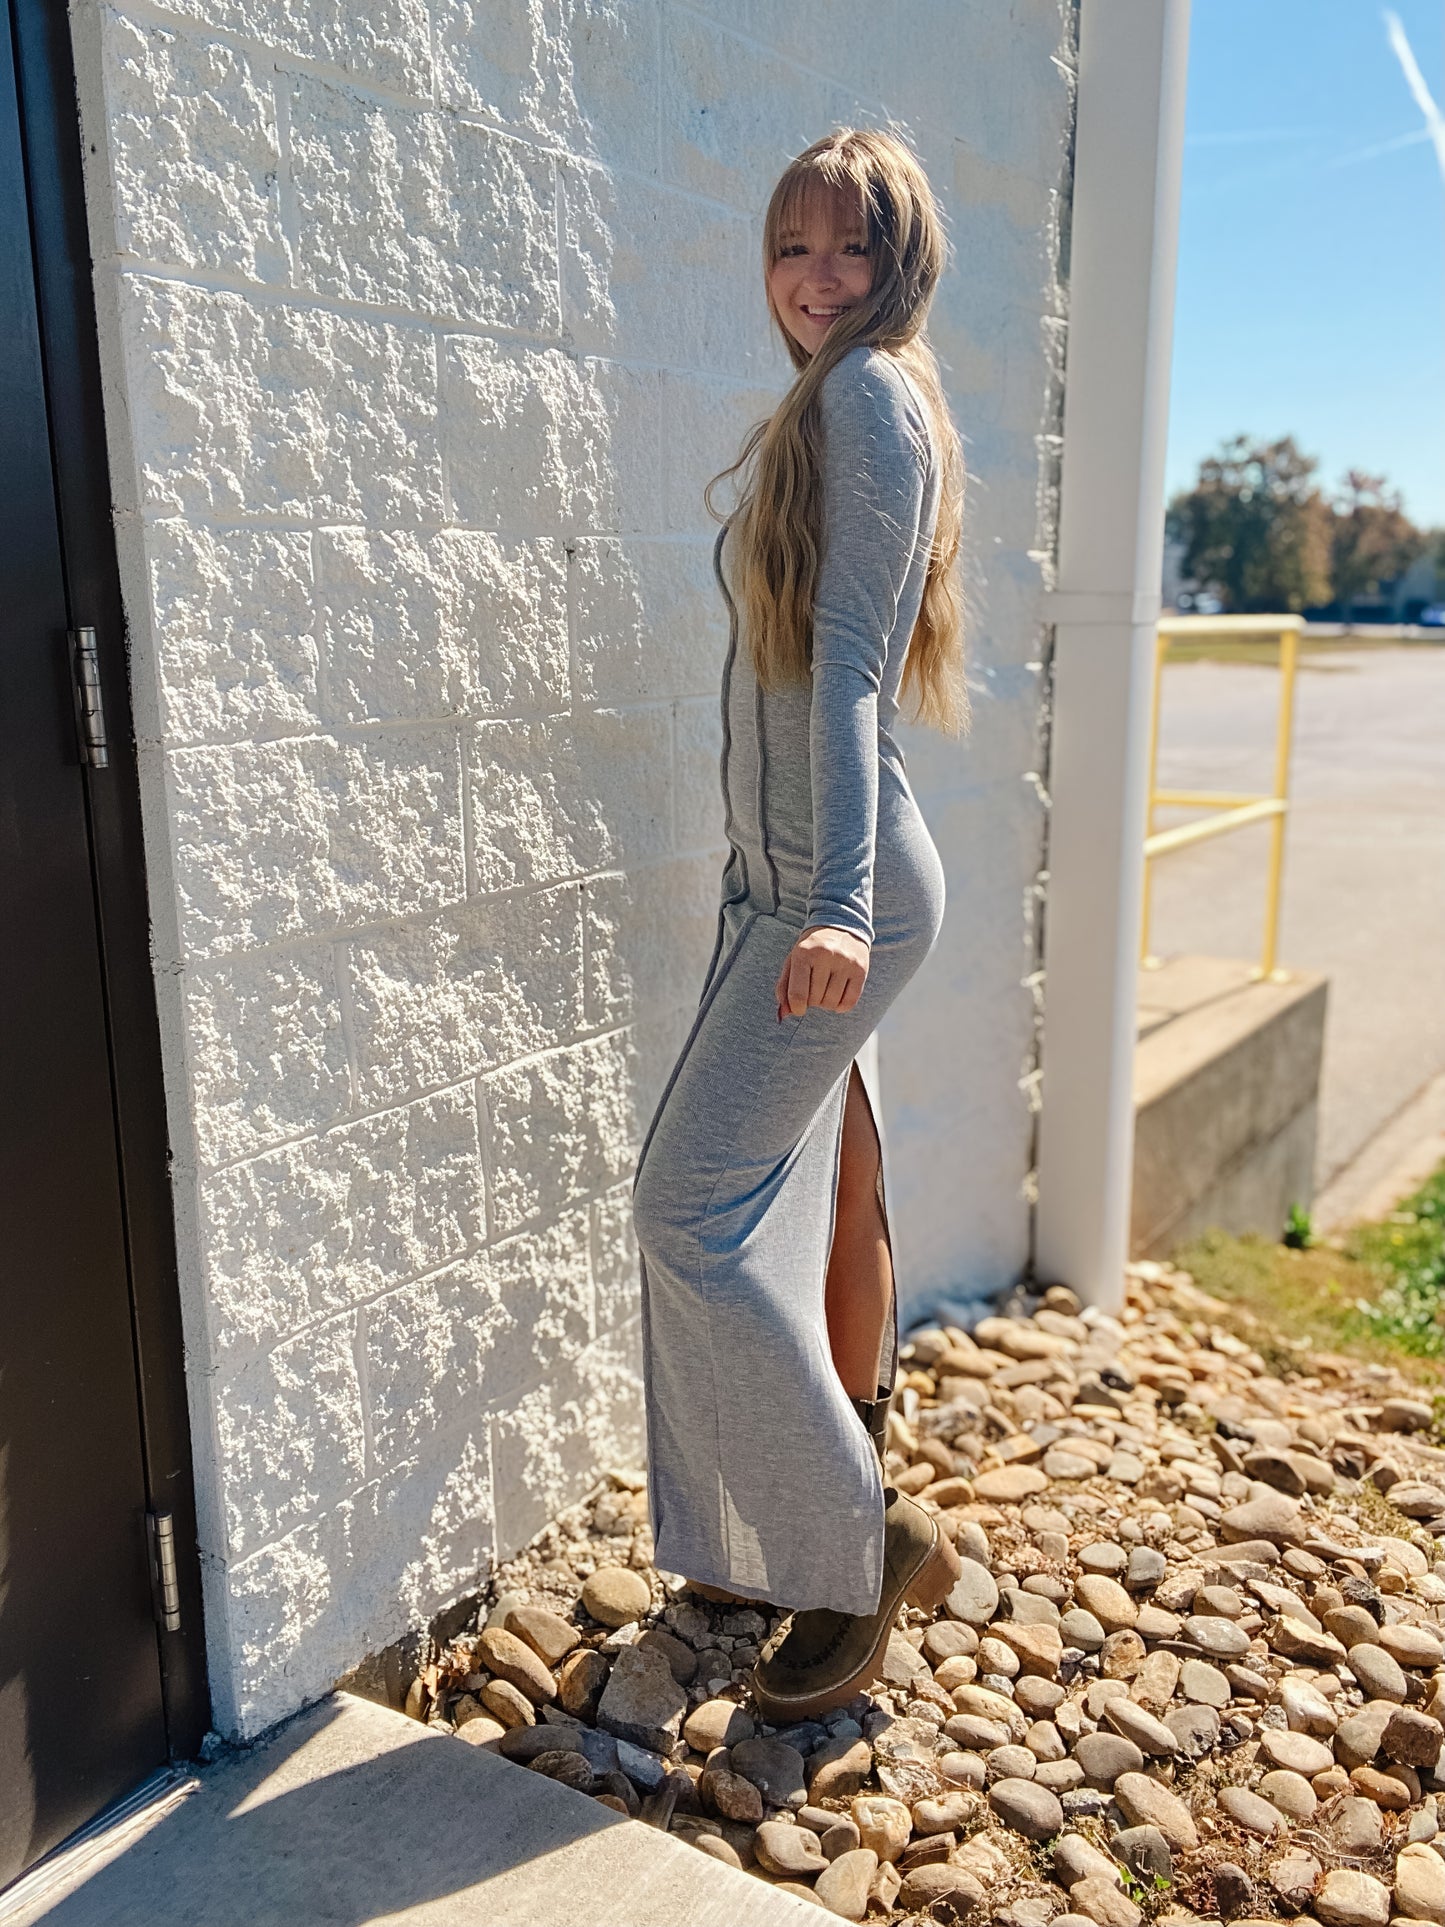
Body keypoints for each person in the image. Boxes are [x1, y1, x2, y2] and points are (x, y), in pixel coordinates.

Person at [630, 126, 967, 1719]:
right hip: (784, 887)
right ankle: (757, 1535)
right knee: (761, 1208)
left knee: (682, 1211)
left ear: (900, 263)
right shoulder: (838, 404)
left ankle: (859, 1535)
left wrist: (829, 903)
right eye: (790, 246)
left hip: (831, 897)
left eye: (850, 247)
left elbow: (844, 676)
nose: (816, 278)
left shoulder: (864, 397)